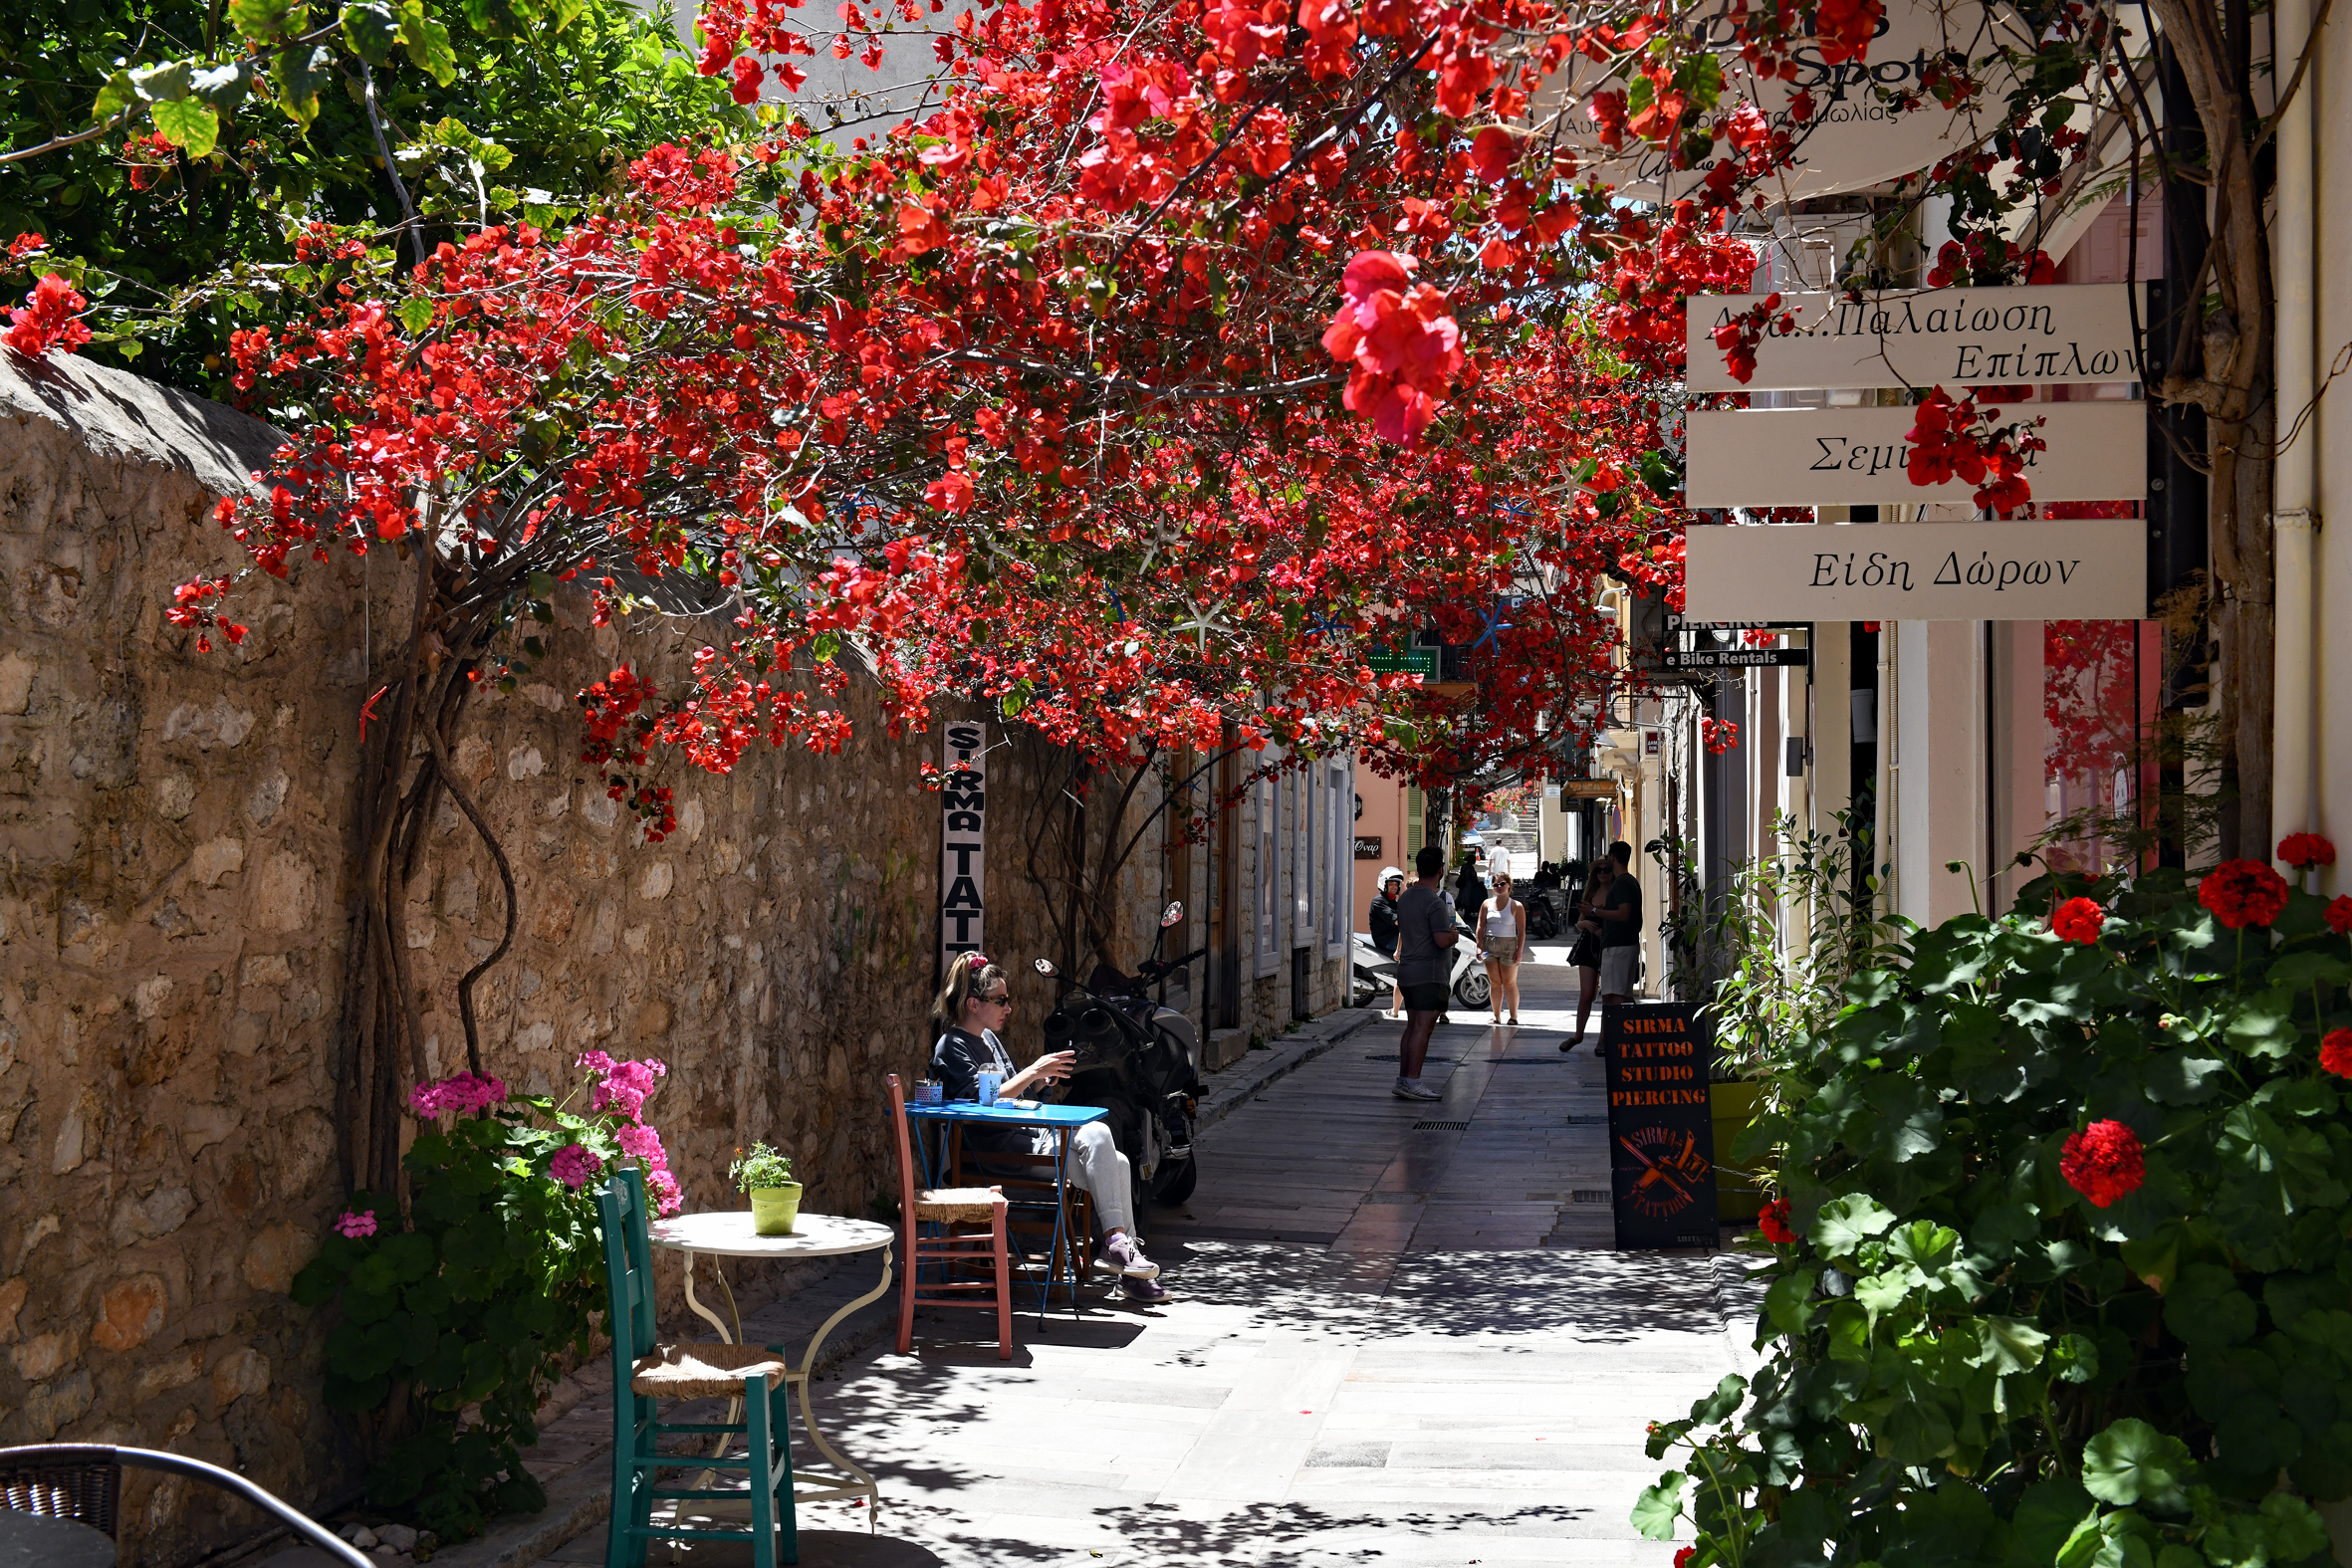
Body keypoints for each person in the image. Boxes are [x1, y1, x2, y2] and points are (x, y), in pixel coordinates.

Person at [928, 953, 1167, 1303]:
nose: (1008, 1008)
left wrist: (1041, 1084)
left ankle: (1120, 1251)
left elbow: (1015, 1094)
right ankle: (1120, 1252)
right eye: (1001, 1000)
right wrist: (1033, 1071)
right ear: (974, 1004)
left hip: (1027, 1139)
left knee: (1118, 1162)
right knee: (1103, 1141)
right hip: (1000, 1153)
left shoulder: (990, 1041)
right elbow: (979, 1102)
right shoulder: (953, 1046)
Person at [1392, 844, 1458, 1101]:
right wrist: (1453, 934)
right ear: (1440, 871)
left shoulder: (1406, 897)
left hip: (1407, 971)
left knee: (1412, 1027)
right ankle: (1413, 1081)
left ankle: (1403, 1078)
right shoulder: (1434, 902)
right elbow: (1442, 939)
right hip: (1427, 973)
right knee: (1423, 1028)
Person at [1562, 856, 1613, 1050]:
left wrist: (1605, 930)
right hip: (1588, 945)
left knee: (1607, 994)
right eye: (1598, 870)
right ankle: (1578, 1034)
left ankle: (1602, 1038)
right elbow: (1579, 922)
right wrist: (1585, 924)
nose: (1602, 873)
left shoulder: (1616, 892)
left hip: (1609, 944)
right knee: (1587, 993)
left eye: (1606, 869)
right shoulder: (1590, 892)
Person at [1594, 839, 1643, 1024]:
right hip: (1623, 944)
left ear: (1613, 857)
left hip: (1618, 947)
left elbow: (1624, 914)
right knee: (1614, 995)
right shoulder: (1630, 882)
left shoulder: (1622, 883)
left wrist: (1594, 911)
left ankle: (1630, 1032)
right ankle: (1613, 1038)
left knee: (1617, 997)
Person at [1480, 870, 1527, 1026]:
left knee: (1509, 982)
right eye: (1496, 884)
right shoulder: (1486, 904)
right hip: (1489, 945)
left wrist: (1519, 950)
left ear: (1508, 885)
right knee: (1494, 982)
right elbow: (1480, 926)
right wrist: (1479, 946)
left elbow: (1521, 930)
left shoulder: (1516, 906)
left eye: (1502, 884)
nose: (1499, 887)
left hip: (1508, 946)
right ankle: (1497, 1016)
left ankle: (1513, 1017)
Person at [1369, 865, 1406, 1018]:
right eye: (1391, 883)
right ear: (1384, 884)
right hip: (1385, 939)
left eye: (1396, 884)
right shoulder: (1379, 901)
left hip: (1394, 936)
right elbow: (1397, 921)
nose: (1394, 886)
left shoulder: (1395, 901)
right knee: (1407, 961)